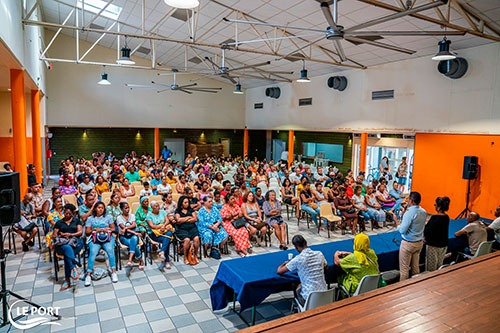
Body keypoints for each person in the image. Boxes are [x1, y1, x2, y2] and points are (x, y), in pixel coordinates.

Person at [277, 235, 327, 306]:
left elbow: (279, 271)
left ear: (296, 247)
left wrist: (284, 263)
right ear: (306, 242)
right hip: (325, 294)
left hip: (309, 298)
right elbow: (326, 266)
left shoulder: (298, 259)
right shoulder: (319, 254)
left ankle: (297, 308)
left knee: (296, 286)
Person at [84, 201, 118, 286]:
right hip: (95, 239)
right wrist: (95, 229)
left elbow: (113, 228)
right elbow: (87, 231)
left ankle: (113, 271)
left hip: (107, 238)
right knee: (93, 252)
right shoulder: (90, 218)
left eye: (102, 208)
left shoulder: (108, 217)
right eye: (99, 208)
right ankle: (88, 274)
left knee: (110, 250)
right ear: (95, 208)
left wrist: (107, 229)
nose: (100, 209)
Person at [52, 204, 83, 291]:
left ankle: (67, 280)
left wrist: (70, 235)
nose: (67, 215)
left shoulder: (76, 221)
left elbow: (80, 232)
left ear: (73, 213)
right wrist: (60, 235)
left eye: (69, 213)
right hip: (62, 244)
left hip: (75, 242)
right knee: (67, 248)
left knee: (67, 254)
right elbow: (54, 235)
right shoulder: (59, 222)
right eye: (66, 213)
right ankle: (74, 268)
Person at [397, 192, 427, 281]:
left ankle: (402, 289)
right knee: (415, 267)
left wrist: (397, 223)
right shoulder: (423, 211)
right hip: (419, 242)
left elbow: (402, 230)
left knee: (404, 269)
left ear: (411, 200)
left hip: (408, 244)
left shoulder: (409, 213)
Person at [424, 197, 450, 271]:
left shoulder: (435, 218)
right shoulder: (446, 217)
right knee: (439, 264)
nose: (434, 206)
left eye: (435, 205)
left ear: (439, 207)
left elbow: (427, 231)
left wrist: (426, 224)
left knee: (431, 268)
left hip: (433, 245)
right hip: (443, 245)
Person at [117, 202, 144, 273]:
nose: (127, 209)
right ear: (121, 209)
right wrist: (134, 232)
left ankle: (130, 259)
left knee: (134, 239)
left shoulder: (132, 216)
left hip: (133, 236)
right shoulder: (119, 218)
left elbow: (134, 225)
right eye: (125, 208)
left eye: (128, 207)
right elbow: (123, 227)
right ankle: (140, 261)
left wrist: (125, 228)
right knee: (134, 244)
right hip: (123, 237)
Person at [147, 200, 174, 270]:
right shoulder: (149, 215)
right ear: (152, 208)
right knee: (167, 239)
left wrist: (164, 226)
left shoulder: (162, 212)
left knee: (168, 234)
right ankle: (167, 261)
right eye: (156, 206)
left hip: (163, 232)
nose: (158, 207)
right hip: (154, 234)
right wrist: (161, 226)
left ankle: (162, 252)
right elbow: (152, 226)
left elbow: (167, 220)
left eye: (158, 205)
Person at [174, 196, 201, 265]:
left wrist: (184, 219)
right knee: (187, 240)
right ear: (181, 203)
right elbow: (178, 220)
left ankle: (195, 255)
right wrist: (189, 217)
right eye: (185, 202)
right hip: (182, 229)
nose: (187, 204)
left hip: (192, 228)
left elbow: (195, 219)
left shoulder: (191, 210)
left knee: (196, 238)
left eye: (188, 202)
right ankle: (185, 257)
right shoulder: (178, 211)